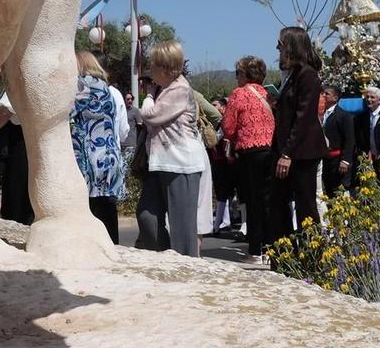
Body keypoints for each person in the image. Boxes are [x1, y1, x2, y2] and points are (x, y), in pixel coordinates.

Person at [135, 40, 209, 256]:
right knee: (146, 215)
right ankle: (168, 257)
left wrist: (148, 96)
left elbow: (150, 116)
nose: (150, 70)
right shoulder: (165, 89)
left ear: (165, 68)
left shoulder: (179, 89)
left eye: (153, 65)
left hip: (181, 165)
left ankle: (187, 271)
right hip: (159, 163)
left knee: (183, 229)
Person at [220, 56, 278, 260]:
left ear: (246, 74)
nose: (236, 77)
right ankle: (272, 248)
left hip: (249, 152)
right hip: (271, 150)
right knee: (269, 200)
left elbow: (228, 127)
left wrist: (236, 137)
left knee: (252, 201)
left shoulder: (239, 94)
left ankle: (255, 249)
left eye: (237, 73)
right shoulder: (269, 94)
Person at [272, 27, 327, 237]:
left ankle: (311, 254)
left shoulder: (307, 74)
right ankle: (284, 253)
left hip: (302, 152)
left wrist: (287, 153)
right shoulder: (292, 74)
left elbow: (303, 117)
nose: (277, 47)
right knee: (278, 202)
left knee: (305, 205)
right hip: (286, 149)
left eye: (281, 43)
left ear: (291, 46)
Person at [69, 52, 129, 243]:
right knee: (107, 209)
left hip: (90, 156)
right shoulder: (106, 88)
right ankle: (113, 247)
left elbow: (66, 112)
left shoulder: (81, 85)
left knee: (91, 209)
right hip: (109, 155)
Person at [0, 93, 30, 224]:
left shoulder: (19, 83)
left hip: (19, 140)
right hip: (35, 138)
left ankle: (15, 220)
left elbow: (6, 111)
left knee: (16, 186)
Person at [320, 83, 359, 197]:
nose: (324, 96)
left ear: (335, 98)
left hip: (338, 159)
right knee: (328, 190)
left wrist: (346, 160)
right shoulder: (320, 114)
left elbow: (350, 140)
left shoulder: (344, 116)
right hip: (325, 159)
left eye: (327, 94)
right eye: (323, 93)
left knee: (340, 191)